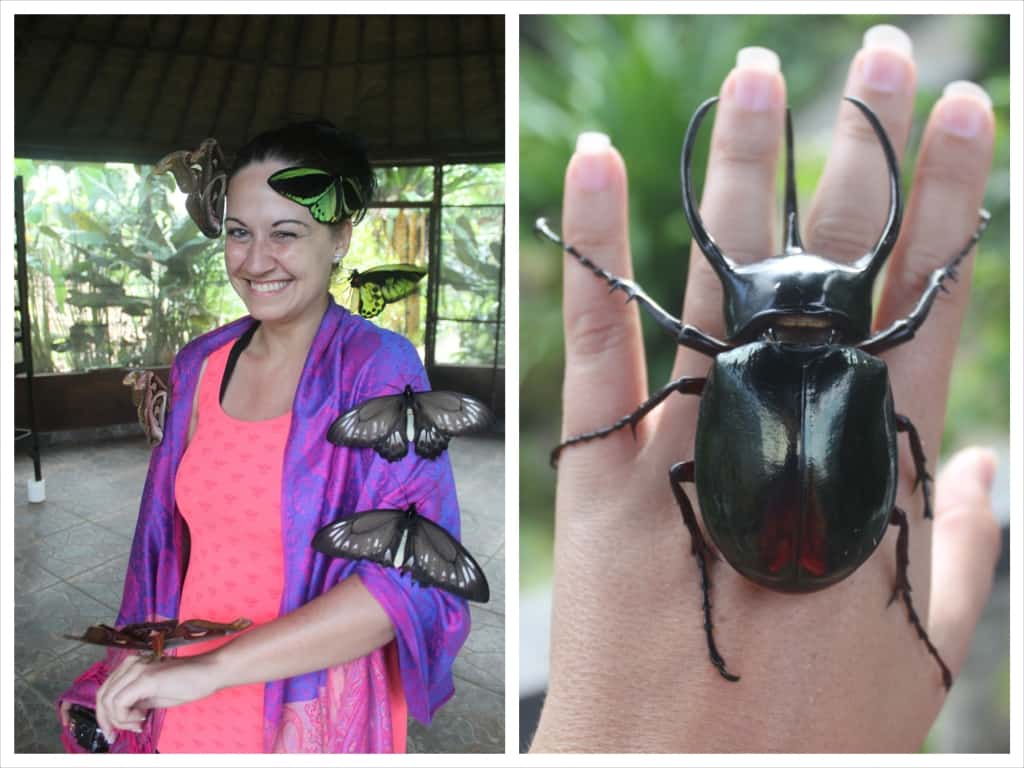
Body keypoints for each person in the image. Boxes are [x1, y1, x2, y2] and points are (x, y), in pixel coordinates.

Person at [530, 25, 1001, 752]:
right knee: (903, 513)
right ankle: (876, 584)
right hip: (843, 540)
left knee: (691, 458)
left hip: (760, 537)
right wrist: (925, 488)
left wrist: (612, 398)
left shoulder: (731, 365)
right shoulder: (867, 368)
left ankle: (711, 571)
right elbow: (902, 431)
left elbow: (676, 375)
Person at [57, 122, 470, 753]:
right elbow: (162, 548)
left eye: (286, 233)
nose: (255, 261)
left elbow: (407, 579)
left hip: (304, 705)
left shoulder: (377, 371)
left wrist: (211, 670)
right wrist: (138, 662)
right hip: (180, 696)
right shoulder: (202, 364)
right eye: (239, 233)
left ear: (340, 238)